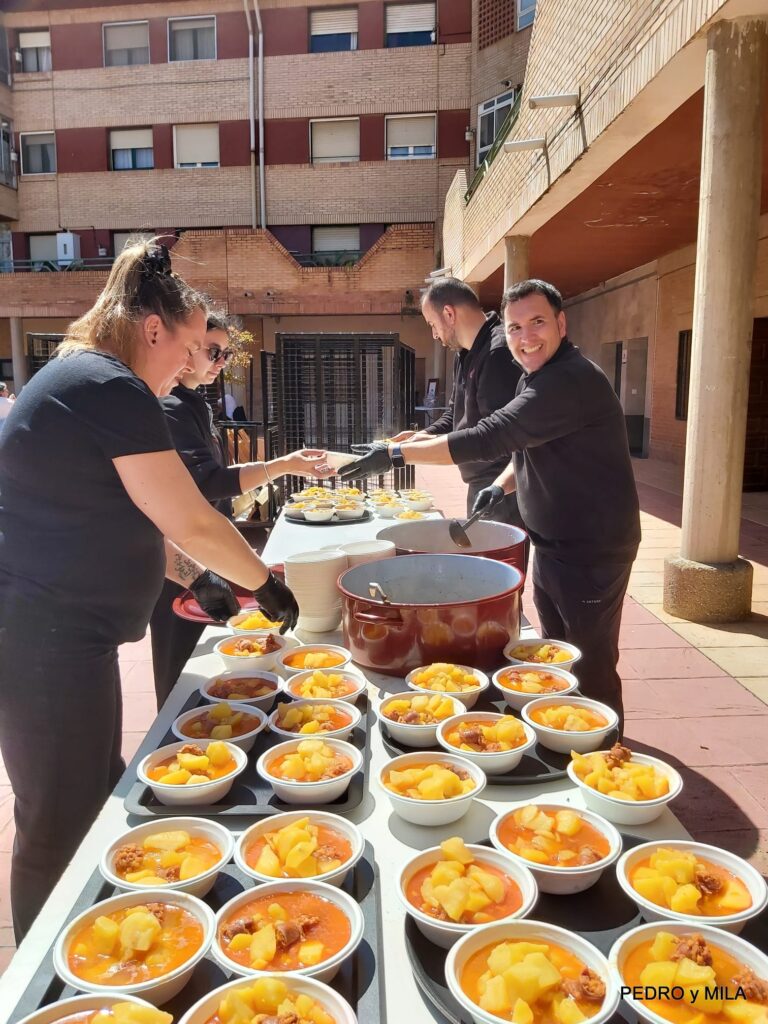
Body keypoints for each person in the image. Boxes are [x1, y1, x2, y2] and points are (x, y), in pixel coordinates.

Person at [0, 239, 300, 940]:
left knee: (95, 791)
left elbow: (128, 515)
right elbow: (190, 516)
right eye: (191, 348)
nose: (193, 365)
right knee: (58, 819)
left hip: (64, 637)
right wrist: (262, 583)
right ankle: (46, 979)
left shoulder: (93, 380)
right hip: (42, 639)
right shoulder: (110, 386)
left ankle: (95, 941)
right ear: (153, 329)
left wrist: (201, 580)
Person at [340, 279, 640, 732]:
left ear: (561, 323)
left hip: (592, 547)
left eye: (537, 323)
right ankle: (567, 737)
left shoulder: (569, 380)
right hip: (553, 540)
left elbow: (490, 435)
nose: (525, 337)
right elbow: (525, 446)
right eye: (516, 327)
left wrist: (396, 454)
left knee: (590, 660)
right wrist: (501, 487)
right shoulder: (534, 373)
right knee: (556, 653)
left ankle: (609, 749)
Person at [151, 310, 333, 708]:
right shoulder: (171, 406)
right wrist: (280, 466)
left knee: (211, 659)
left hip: (203, 549)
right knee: (181, 667)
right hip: (181, 557)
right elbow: (206, 483)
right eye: (212, 351)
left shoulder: (192, 403)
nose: (220, 362)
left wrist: (283, 465)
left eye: (226, 354)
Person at [389, 278, 524, 527]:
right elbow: (455, 414)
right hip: (479, 483)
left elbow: (493, 436)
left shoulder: (498, 353)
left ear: (449, 314)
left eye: (433, 324)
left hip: (502, 489)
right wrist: (424, 435)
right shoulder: (464, 353)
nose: (434, 334)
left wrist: (404, 453)